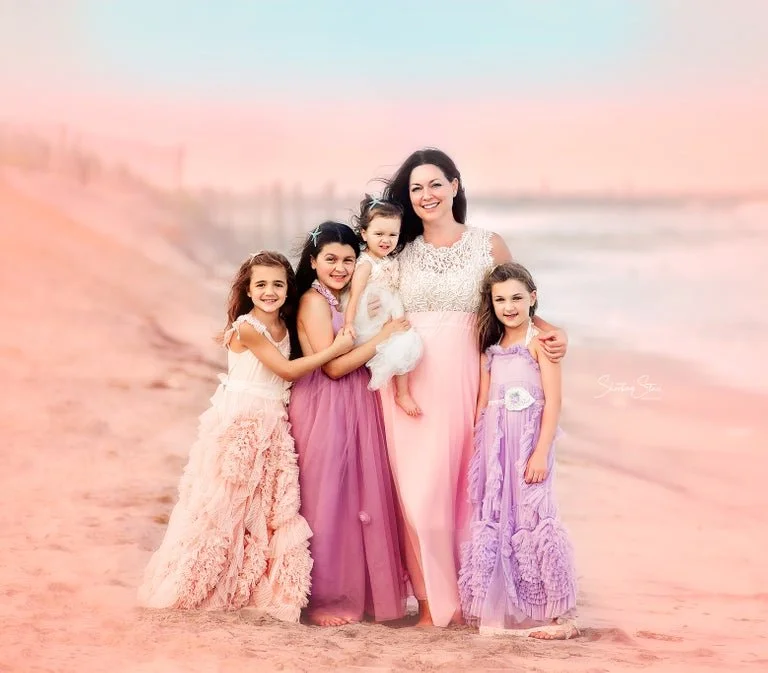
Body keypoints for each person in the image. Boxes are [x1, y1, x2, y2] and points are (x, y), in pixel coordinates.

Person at [377, 148, 569, 627]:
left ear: (455, 186)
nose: (427, 195)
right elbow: (373, 309)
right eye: (417, 187)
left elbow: (515, 297)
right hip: (411, 381)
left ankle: (472, 596)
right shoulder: (399, 252)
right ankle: (428, 602)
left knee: (470, 490)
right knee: (419, 497)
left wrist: (549, 329)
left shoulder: (487, 244)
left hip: (472, 379)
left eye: (436, 184)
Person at [137, 251, 354, 621]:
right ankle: (199, 581)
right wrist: (334, 350)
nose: (270, 292)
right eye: (261, 285)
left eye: (278, 284)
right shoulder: (248, 327)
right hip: (242, 423)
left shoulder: (285, 325)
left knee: (264, 508)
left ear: (288, 288)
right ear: (249, 290)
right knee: (226, 506)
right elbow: (286, 371)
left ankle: (248, 585)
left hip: (273, 423)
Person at [287, 222, 409, 627]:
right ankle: (326, 597)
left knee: (360, 498)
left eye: (348, 259)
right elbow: (335, 367)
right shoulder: (313, 302)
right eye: (331, 260)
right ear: (313, 261)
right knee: (328, 499)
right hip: (326, 405)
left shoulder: (342, 300)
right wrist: (385, 335)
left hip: (357, 402)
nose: (340, 267)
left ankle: (364, 591)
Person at [458, 262, 578, 639]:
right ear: (490, 304)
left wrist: (541, 452)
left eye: (516, 298)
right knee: (498, 513)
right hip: (496, 444)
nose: (508, 306)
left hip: (527, 442)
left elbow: (554, 402)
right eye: (500, 300)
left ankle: (556, 613)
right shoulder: (491, 349)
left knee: (533, 514)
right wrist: (478, 450)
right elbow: (482, 402)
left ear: (533, 298)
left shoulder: (540, 344)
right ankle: (508, 605)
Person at [344, 194, 424, 416]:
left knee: (403, 340)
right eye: (378, 234)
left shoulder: (389, 260)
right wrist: (349, 323)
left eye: (392, 235)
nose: (386, 240)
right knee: (403, 341)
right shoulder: (365, 264)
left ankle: (400, 392)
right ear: (364, 233)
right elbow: (355, 295)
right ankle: (402, 394)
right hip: (370, 318)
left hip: (389, 311)